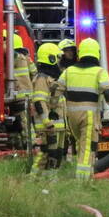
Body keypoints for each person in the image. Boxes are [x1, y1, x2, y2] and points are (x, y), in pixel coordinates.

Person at [55, 38, 109, 180]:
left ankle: (86, 176)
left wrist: (52, 108)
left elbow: (57, 90)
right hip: (89, 116)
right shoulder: (100, 72)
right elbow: (108, 93)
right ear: (97, 53)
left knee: (80, 145)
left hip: (71, 117)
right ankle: (82, 182)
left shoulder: (69, 71)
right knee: (88, 147)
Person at [30, 43, 66, 173]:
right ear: (51, 58)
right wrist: (47, 122)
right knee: (44, 156)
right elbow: (39, 101)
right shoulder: (41, 79)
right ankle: (33, 181)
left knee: (56, 155)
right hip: (48, 127)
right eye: (57, 58)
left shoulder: (51, 78)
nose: (59, 61)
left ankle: (51, 182)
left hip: (57, 126)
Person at [10, 33, 36, 150]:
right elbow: (34, 73)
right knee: (25, 121)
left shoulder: (13, 57)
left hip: (18, 96)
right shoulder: (27, 58)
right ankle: (25, 144)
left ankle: (27, 144)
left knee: (22, 122)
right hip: (27, 95)